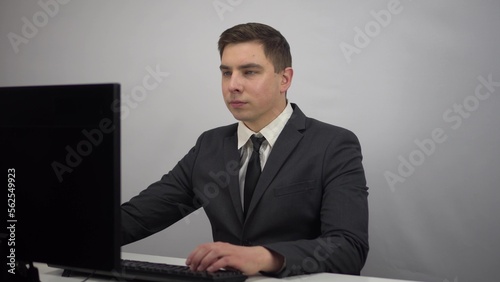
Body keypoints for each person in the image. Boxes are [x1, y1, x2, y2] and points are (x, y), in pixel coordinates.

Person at [121, 22, 369, 277]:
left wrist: (264, 256)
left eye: (249, 72)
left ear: (284, 79)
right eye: (226, 72)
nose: (233, 85)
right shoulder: (209, 145)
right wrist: (83, 234)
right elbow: (137, 217)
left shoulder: (333, 144)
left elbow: (349, 249)